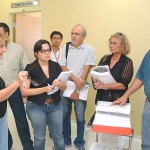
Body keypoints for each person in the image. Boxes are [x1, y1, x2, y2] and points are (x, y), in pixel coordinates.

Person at [87, 32, 134, 149]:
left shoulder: (127, 62)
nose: (111, 45)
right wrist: (96, 83)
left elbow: (123, 85)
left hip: (118, 102)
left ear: (123, 45)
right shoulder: (105, 58)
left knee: (115, 136)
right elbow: (95, 74)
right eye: (110, 43)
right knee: (101, 134)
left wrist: (104, 86)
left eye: (114, 43)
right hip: (102, 100)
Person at [21, 39, 66, 150]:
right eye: (43, 51)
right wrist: (45, 89)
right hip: (36, 106)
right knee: (39, 138)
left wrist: (59, 85)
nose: (46, 53)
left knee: (59, 137)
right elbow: (24, 92)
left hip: (55, 105)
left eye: (48, 50)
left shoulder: (56, 66)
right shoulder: (30, 68)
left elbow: (64, 87)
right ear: (36, 53)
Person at [60, 24, 96, 150]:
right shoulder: (65, 47)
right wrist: (74, 78)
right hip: (66, 86)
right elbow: (63, 66)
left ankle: (80, 142)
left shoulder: (90, 50)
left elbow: (86, 72)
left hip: (80, 87)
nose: (73, 36)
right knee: (65, 115)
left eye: (77, 34)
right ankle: (66, 140)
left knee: (80, 117)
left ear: (84, 36)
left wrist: (76, 89)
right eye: (72, 33)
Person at [0, 22, 33, 150]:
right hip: (1, 90)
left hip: (14, 89)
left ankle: (28, 146)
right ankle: (6, 144)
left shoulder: (17, 48)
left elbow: (27, 68)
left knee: (21, 120)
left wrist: (25, 86)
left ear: (7, 34)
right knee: (2, 119)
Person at [113, 50, 150, 150]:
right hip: (149, 105)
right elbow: (140, 78)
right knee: (147, 144)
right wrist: (125, 96)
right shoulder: (148, 54)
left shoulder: (127, 61)